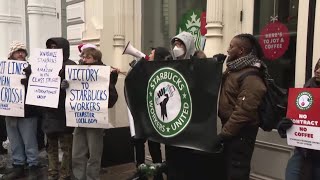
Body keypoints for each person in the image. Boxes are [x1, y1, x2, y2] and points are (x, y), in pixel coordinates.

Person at [62, 47, 118, 180]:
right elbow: (72, 94)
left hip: (95, 119)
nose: (84, 59)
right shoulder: (76, 73)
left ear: (96, 59)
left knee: (94, 154)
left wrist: (103, 99)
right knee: (77, 153)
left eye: (88, 57)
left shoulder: (103, 74)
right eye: (83, 57)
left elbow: (113, 97)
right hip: (79, 119)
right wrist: (66, 86)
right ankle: (79, 177)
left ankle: (92, 177)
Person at [217, 33, 267, 179]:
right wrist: (215, 65)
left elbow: (244, 111)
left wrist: (224, 134)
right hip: (232, 130)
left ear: (241, 51)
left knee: (237, 172)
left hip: (241, 133)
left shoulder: (251, 76)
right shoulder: (234, 70)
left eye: (231, 47)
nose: (227, 50)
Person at [128, 47, 170, 180]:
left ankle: (157, 174)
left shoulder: (160, 69)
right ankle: (141, 172)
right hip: (142, 112)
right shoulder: (144, 67)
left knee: (154, 144)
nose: (149, 55)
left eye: (152, 53)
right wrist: (135, 69)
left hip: (154, 113)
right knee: (138, 141)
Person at [1, 41, 40, 180]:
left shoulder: (31, 68)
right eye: (18, 51)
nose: (21, 53)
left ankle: (33, 166)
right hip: (10, 110)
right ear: (11, 53)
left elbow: (40, 87)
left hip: (28, 111)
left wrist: (29, 81)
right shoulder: (3, 69)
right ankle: (18, 166)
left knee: (29, 140)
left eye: (23, 51)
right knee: (14, 140)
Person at [277, 59, 320, 180]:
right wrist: (285, 126)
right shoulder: (306, 92)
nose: (317, 71)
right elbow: (295, 121)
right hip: (303, 155)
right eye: (317, 66)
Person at [42, 37, 76, 180]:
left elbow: (80, 87)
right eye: (50, 47)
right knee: (51, 147)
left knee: (66, 148)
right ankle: (52, 173)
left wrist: (69, 85)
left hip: (65, 113)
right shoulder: (43, 65)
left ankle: (65, 174)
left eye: (55, 47)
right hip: (49, 113)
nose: (52, 50)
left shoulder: (71, 65)